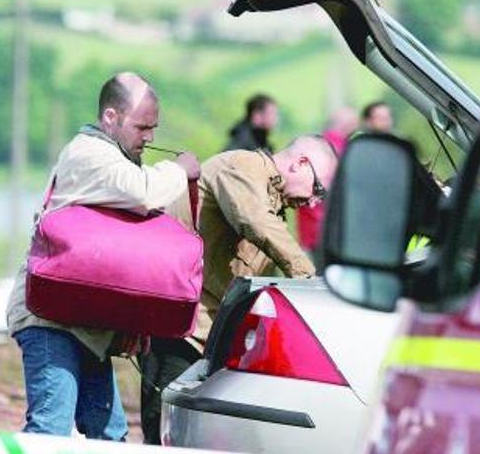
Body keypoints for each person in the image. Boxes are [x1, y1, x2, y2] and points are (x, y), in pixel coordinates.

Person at [5, 72, 200, 440]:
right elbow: (143, 192)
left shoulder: (113, 156)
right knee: (49, 428)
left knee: (109, 436)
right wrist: (180, 170)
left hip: (85, 322)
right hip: (50, 320)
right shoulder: (88, 154)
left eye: (153, 128)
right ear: (111, 117)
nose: (150, 137)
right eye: (142, 127)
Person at [139, 135, 338, 444]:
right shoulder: (242, 168)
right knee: (164, 439)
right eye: (318, 190)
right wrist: (312, 280)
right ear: (300, 163)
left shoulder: (273, 203)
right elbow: (256, 222)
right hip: (180, 332)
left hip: (209, 340)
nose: (313, 202)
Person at [296, 107, 358, 253]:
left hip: (311, 230)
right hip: (325, 231)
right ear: (347, 124)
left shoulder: (317, 145)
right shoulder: (339, 151)